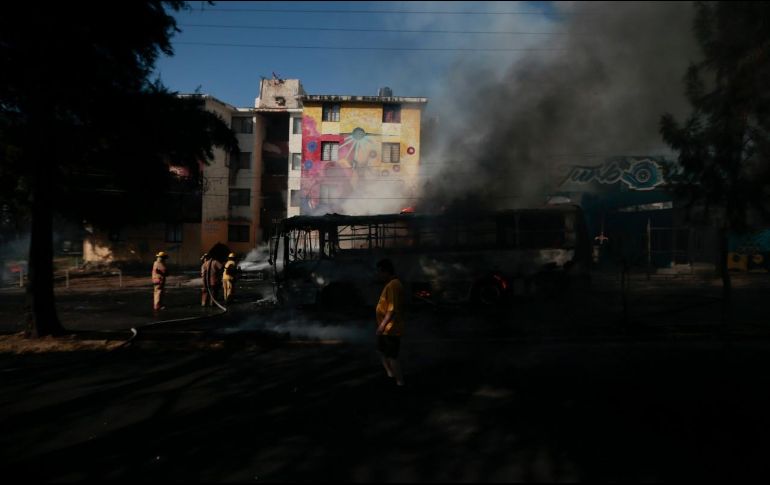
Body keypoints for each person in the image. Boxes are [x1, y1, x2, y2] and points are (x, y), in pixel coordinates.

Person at [375, 258, 406, 386]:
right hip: (386, 329)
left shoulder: (393, 285)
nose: (379, 275)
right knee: (382, 352)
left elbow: (391, 309)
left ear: (386, 271)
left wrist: (382, 326)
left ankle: (400, 382)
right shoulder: (391, 284)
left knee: (392, 356)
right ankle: (390, 375)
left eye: (380, 272)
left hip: (390, 329)